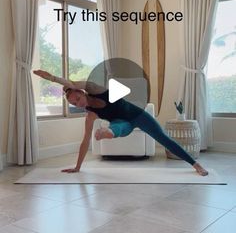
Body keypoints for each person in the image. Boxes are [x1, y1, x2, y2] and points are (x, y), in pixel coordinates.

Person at [33, 69, 208, 176]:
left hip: (139, 115)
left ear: (82, 92)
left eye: (78, 98)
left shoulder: (95, 89)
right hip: (122, 123)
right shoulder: (91, 114)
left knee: (164, 139)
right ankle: (107, 133)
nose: (78, 103)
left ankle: (196, 165)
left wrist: (53, 78)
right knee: (116, 127)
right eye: (74, 104)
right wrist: (77, 167)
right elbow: (85, 140)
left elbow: (70, 83)